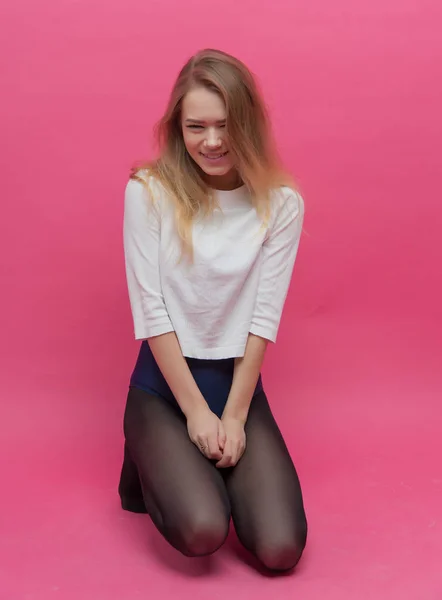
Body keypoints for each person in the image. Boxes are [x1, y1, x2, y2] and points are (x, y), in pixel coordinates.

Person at [118, 48, 307, 572]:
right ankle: (144, 453)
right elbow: (151, 310)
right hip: (163, 387)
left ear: (246, 122)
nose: (212, 141)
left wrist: (235, 416)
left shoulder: (282, 203)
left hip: (237, 387)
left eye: (225, 125)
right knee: (204, 531)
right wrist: (198, 414)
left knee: (280, 549)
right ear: (178, 128)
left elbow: (263, 316)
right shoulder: (149, 192)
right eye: (195, 126)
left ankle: (201, 458)